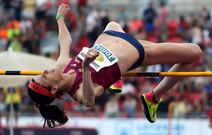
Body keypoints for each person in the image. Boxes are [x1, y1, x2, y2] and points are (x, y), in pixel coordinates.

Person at [27, 4, 202, 127]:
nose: (45, 71)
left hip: (112, 33)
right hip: (138, 51)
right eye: (43, 77)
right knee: (195, 53)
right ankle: (153, 97)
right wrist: (86, 67)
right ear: (54, 88)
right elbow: (89, 100)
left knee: (112, 22)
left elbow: (64, 41)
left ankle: (115, 78)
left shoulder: (63, 66)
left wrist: (60, 18)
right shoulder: (79, 90)